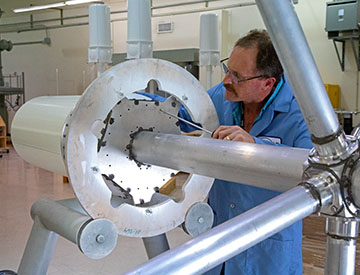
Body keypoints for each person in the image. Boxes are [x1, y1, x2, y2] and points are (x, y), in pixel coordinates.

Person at [139, 29, 312, 274]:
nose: (226, 81)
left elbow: (314, 170)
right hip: (217, 242)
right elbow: (182, 116)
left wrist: (257, 146)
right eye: (227, 69)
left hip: (266, 251)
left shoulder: (302, 111)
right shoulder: (222, 97)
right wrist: (135, 100)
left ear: (267, 83)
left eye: (237, 76)